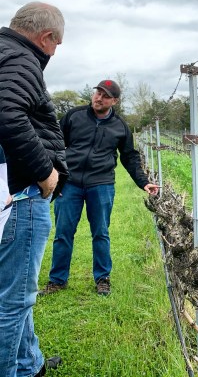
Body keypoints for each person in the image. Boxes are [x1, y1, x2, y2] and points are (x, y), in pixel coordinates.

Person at [42, 79, 159, 297]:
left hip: (102, 184)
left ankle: (102, 278)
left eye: (105, 95)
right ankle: (57, 280)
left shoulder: (120, 127)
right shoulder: (74, 116)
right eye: (97, 93)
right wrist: (54, 170)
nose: (98, 97)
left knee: (100, 233)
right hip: (71, 183)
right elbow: (54, 141)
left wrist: (143, 181)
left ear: (114, 101)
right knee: (63, 232)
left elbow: (129, 157)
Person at [0, 2, 68, 377]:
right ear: (46, 37)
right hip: (22, 196)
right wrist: (46, 174)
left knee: (15, 295)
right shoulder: (23, 59)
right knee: (13, 301)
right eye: (57, 45)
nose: (55, 53)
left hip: (8, 192)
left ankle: (30, 365)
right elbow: (7, 113)